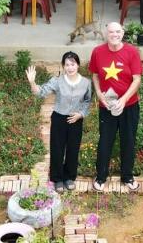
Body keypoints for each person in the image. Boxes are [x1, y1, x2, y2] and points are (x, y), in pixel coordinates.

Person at [26, 52, 92, 193]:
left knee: (73, 149)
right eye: (67, 64)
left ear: (78, 65)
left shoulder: (86, 83)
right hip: (59, 118)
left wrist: (80, 114)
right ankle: (57, 179)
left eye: (73, 64)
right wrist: (32, 82)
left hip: (76, 119)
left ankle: (69, 177)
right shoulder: (57, 81)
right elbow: (41, 92)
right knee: (57, 149)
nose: (70, 67)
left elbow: (87, 101)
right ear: (63, 66)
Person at [88, 22, 143, 192]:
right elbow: (95, 74)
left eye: (118, 31)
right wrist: (98, 93)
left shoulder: (131, 52)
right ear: (106, 33)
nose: (114, 35)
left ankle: (127, 176)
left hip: (129, 106)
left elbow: (137, 79)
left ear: (123, 33)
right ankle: (101, 176)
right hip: (108, 105)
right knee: (105, 141)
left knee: (128, 141)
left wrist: (124, 99)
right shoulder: (98, 52)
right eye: (111, 32)